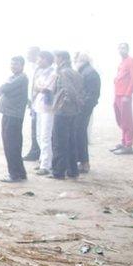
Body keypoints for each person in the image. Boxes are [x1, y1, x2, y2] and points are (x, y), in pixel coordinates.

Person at [51, 51, 84, 179]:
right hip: (73, 111)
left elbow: (68, 90)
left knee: (59, 141)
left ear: (61, 58)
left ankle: (58, 172)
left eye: (56, 57)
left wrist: (71, 102)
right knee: (71, 141)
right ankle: (72, 170)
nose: (55, 60)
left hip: (63, 110)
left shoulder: (63, 72)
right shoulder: (75, 72)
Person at [0, 56, 29, 182]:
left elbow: (4, 88)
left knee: (11, 145)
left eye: (16, 64)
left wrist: (3, 90)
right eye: (12, 64)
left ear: (22, 65)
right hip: (10, 114)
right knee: (13, 144)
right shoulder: (15, 77)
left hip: (13, 115)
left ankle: (14, 174)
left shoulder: (21, 78)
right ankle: (20, 172)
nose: (13, 67)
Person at [74, 52, 101, 173]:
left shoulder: (89, 73)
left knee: (80, 133)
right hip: (83, 107)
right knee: (80, 133)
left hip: (83, 108)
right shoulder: (88, 71)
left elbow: (91, 95)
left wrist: (81, 105)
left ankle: (84, 162)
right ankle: (82, 161)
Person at [31, 51, 56, 176]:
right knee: (39, 136)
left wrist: (40, 87)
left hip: (48, 108)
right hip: (39, 106)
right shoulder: (40, 72)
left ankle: (46, 165)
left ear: (46, 60)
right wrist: (40, 88)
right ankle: (43, 160)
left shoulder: (53, 73)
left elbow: (46, 88)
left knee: (45, 136)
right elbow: (37, 87)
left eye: (39, 59)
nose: (38, 61)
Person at [112, 42, 133, 155]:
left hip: (124, 95)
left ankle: (128, 144)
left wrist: (127, 94)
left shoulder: (131, 60)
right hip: (118, 93)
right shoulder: (121, 62)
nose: (122, 50)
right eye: (120, 48)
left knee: (127, 119)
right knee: (120, 118)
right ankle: (123, 141)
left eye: (124, 48)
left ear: (128, 49)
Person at [22, 46, 41, 162]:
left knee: (39, 130)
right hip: (33, 102)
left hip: (39, 103)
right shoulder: (33, 67)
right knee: (35, 128)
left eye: (29, 54)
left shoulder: (40, 68)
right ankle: (35, 151)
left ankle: (37, 152)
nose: (27, 56)